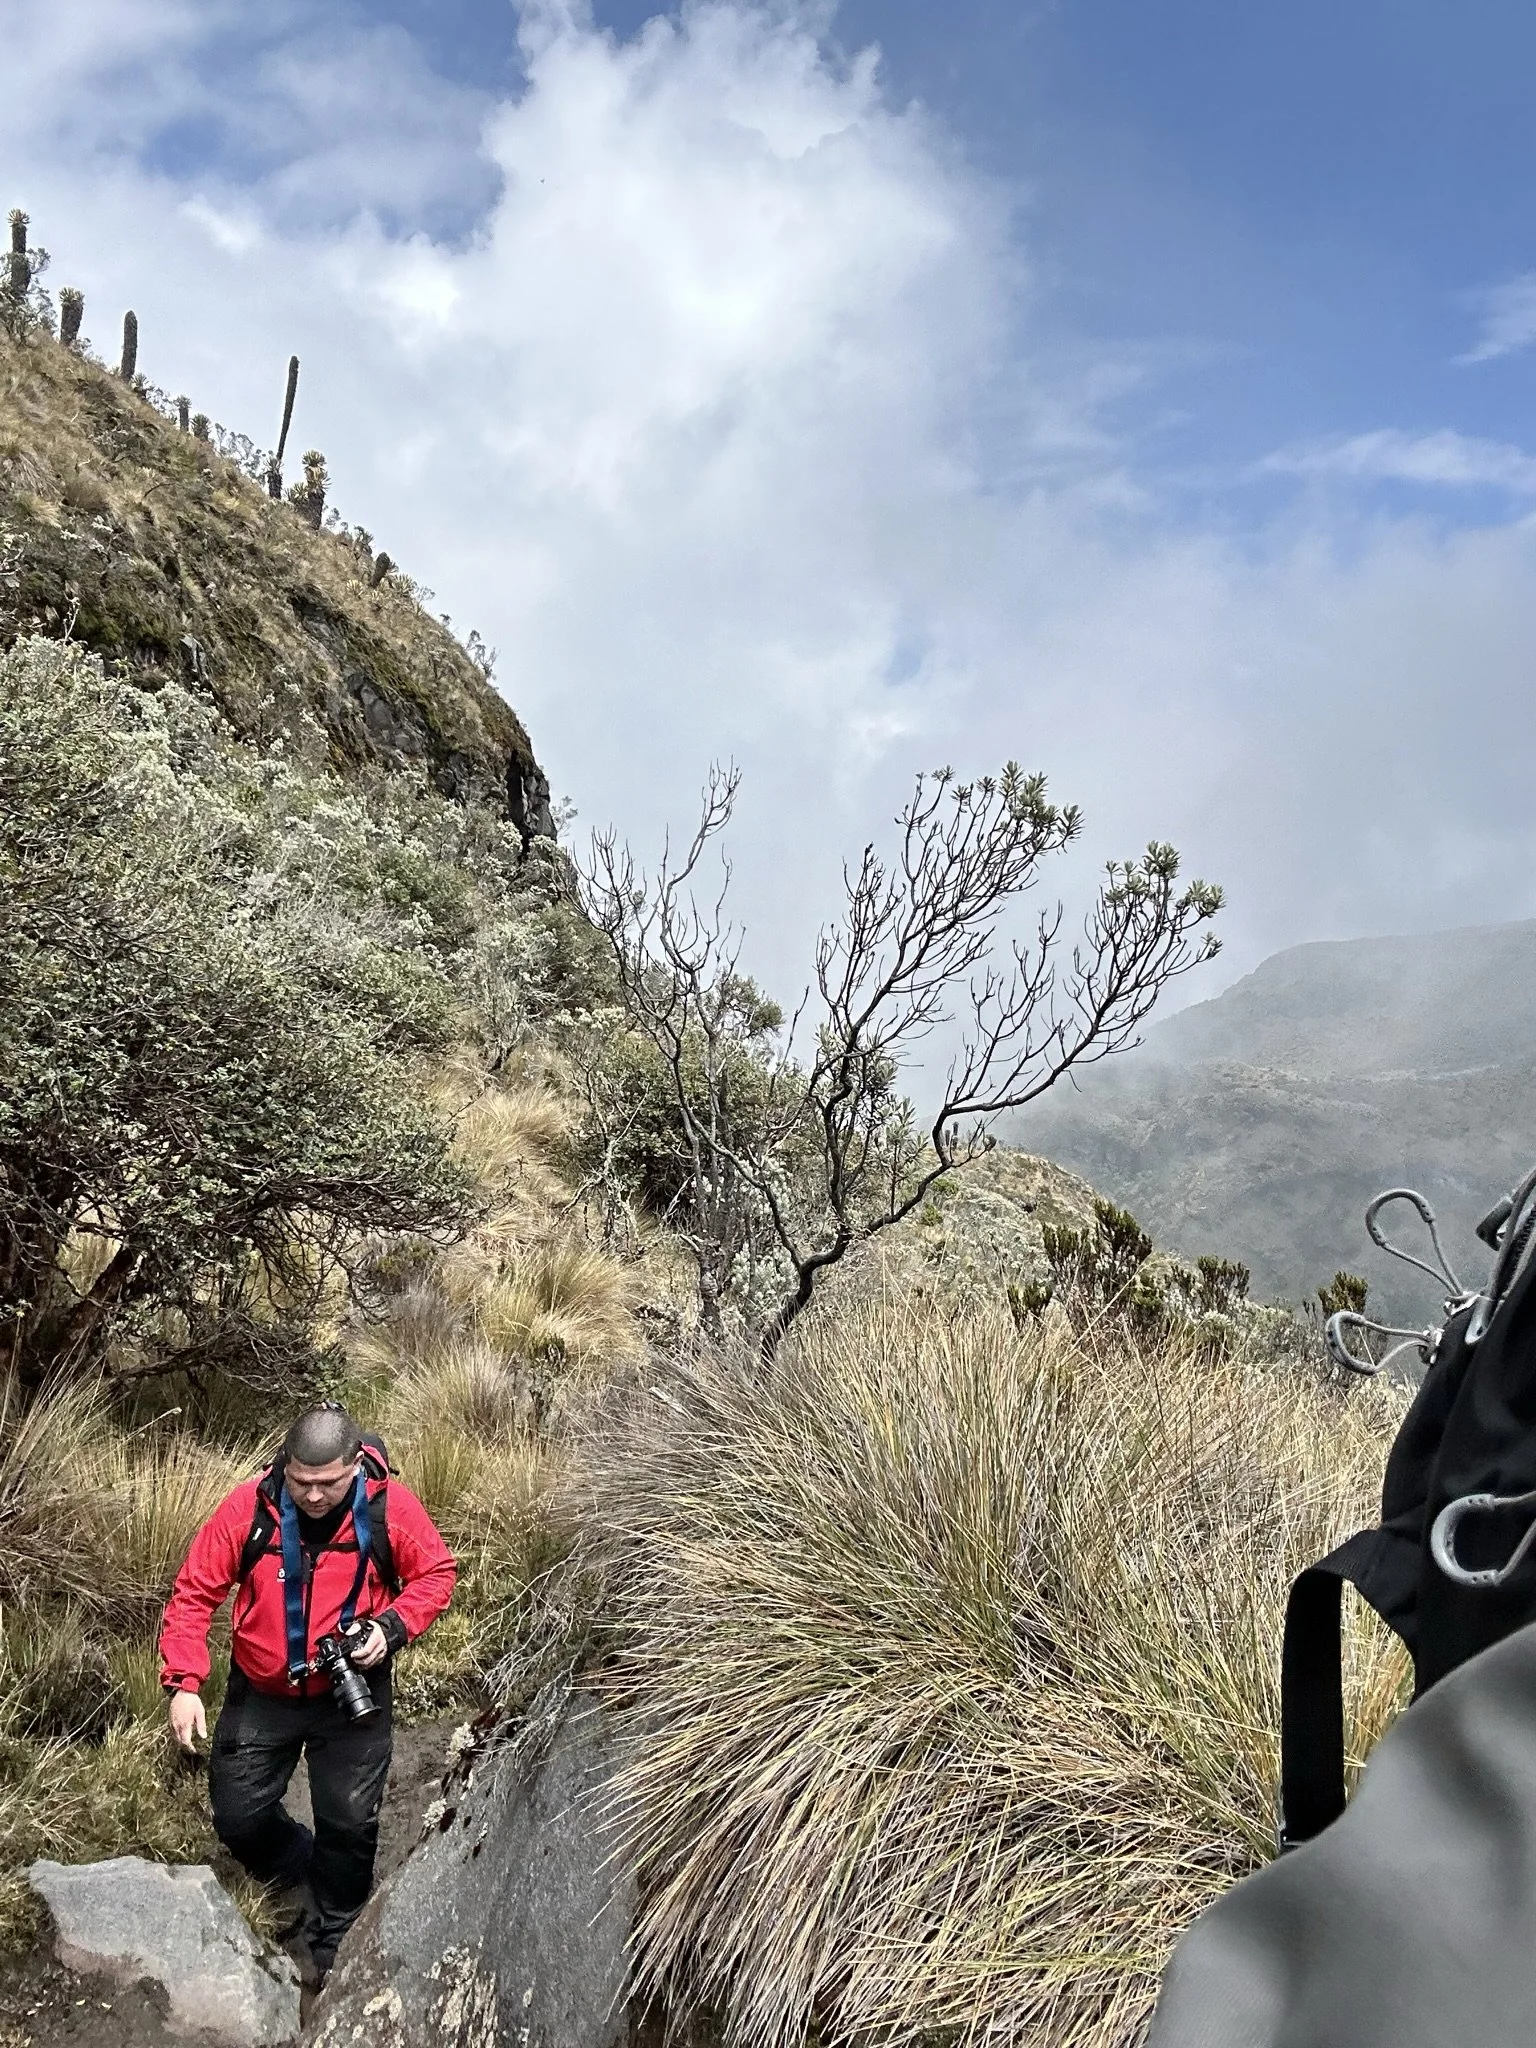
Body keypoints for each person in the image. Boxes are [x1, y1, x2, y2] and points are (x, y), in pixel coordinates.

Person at [158, 1402, 456, 1985]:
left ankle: (338, 1926)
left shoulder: (387, 1507)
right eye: (301, 1482)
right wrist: (184, 1682)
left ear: (354, 1469)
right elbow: (193, 1594)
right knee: (239, 1816)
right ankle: (299, 1865)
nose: (314, 1496)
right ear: (284, 1467)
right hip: (262, 1688)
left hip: (352, 1691)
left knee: (349, 1819)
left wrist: (389, 1629)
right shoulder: (250, 1508)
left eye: (327, 1484)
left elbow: (436, 1574)